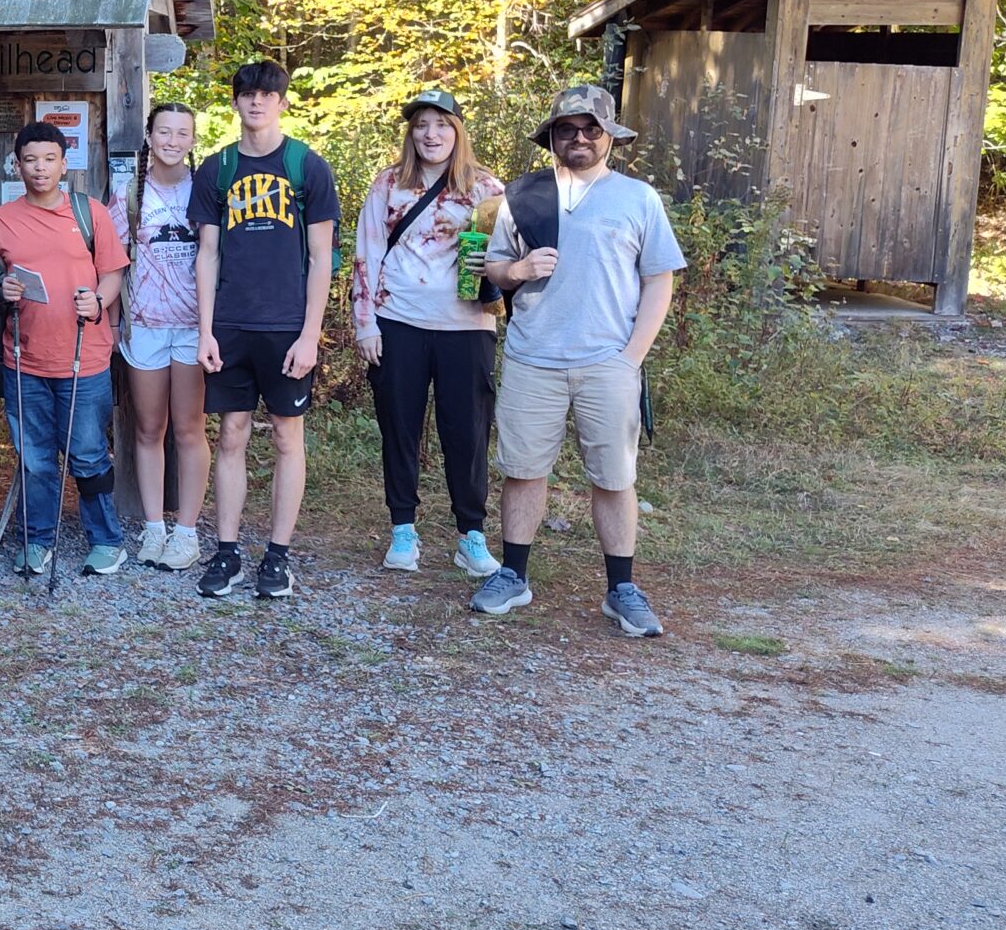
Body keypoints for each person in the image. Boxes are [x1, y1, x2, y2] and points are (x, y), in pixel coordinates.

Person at [474, 84, 683, 638]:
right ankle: (513, 576)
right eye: (568, 129)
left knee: (614, 479)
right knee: (522, 472)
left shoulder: (639, 199)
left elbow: (659, 282)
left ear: (610, 136)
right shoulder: (524, 195)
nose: (580, 138)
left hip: (607, 362)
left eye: (592, 129)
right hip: (530, 358)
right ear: (552, 137)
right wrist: (517, 272)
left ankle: (622, 590)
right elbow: (493, 269)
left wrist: (630, 358)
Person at [191, 61, 339, 602]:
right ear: (234, 103)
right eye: (247, 94)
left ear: (282, 102)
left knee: (285, 436)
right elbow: (206, 254)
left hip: (286, 326)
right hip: (230, 323)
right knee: (230, 434)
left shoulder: (307, 166)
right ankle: (227, 551)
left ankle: (276, 557)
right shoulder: (217, 168)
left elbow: (322, 259)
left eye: (266, 95)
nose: (256, 103)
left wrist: (310, 334)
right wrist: (205, 330)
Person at [351, 89, 507, 581]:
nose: (431, 134)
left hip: (466, 325)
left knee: (467, 431)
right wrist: (365, 324)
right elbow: (367, 254)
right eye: (421, 124)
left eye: (442, 123)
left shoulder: (486, 189)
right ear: (410, 132)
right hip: (399, 321)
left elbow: (507, 259)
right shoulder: (388, 185)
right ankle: (403, 529)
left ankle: (471, 535)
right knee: (399, 427)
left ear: (458, 131)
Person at [0, 122, 130, 578]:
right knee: (35, 457)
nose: (40, 168)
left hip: (84, 357)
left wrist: (99, 300)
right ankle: (37, 540)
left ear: (64, 164)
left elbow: (112, 273)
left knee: (87, 453)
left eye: (49, 159)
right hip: (24, 358)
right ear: (17, 165)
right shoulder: (1, 219)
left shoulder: (90, 214)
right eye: (30, 160)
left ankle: (107, 540)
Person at [109, 101, 207, 570]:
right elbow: (111, 260)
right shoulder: (129, 194)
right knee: (148, 429)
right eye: (163, 132)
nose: (172, 140)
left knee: (189, 429)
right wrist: (110, 322)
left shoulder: (206, 191)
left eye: (181, 133)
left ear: (192, 140)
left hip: (194, 327)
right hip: (144, 326)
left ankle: (186, 532)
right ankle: (153, 527)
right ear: (149, 137)